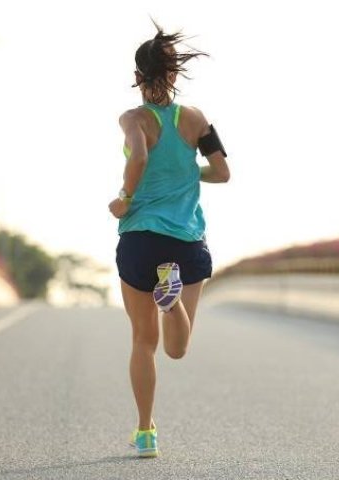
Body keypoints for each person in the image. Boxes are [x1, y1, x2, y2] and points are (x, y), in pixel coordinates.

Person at [108, 23, 230, 458]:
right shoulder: (196, 119)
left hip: (141, 238)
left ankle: (145, 433)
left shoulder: (133, 119)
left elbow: (139, 156)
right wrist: (187, 172)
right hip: (186, 242)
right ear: (174, 75)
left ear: (138, 77)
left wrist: (124, 198)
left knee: (144, 342)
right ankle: (171, 300)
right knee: (178, 348)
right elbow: (223, 172)